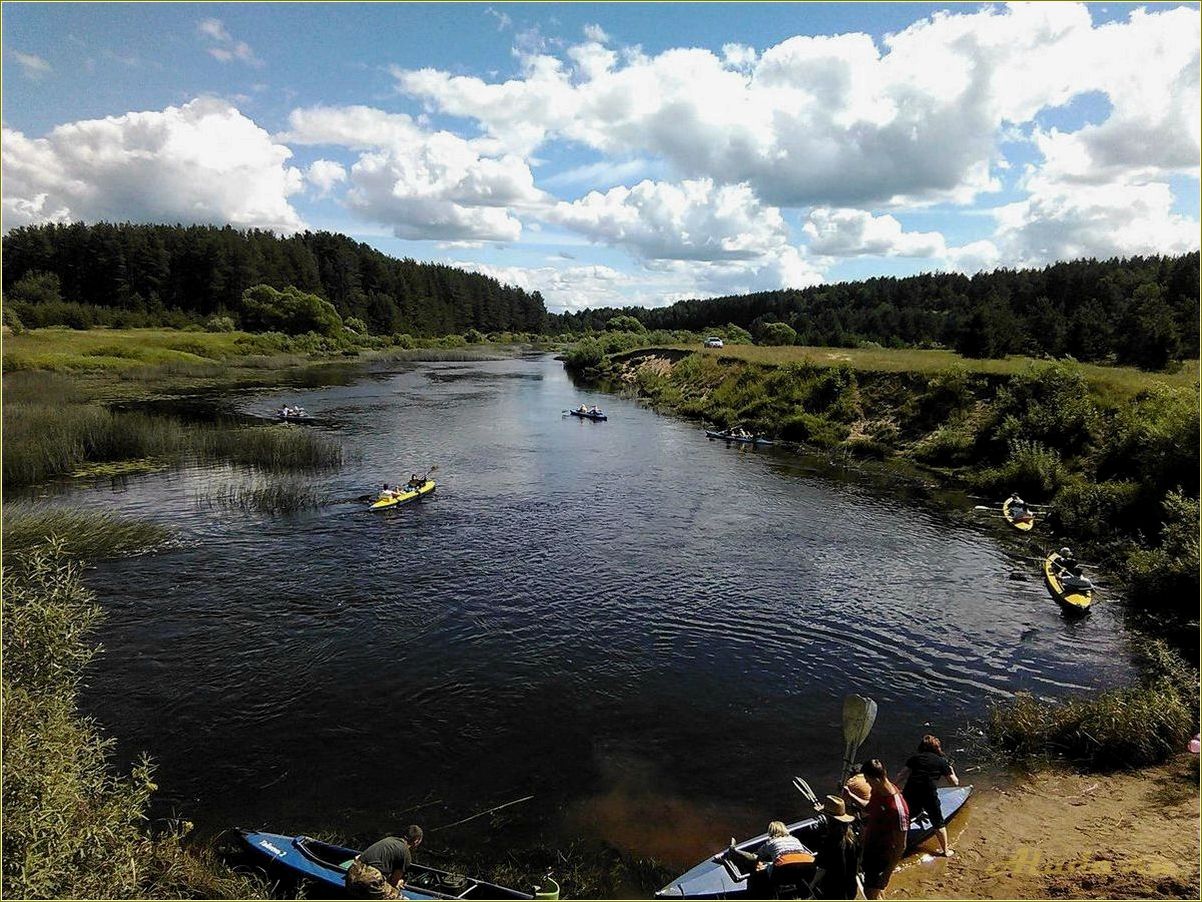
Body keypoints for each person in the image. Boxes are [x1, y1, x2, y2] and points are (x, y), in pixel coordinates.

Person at [897, 735, 959, 857]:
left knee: (905, 817)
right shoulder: (941, 762)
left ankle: (897, 845)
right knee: (938, 822)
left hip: (910, 791)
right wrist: (951, 770)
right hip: (928, 794)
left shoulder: (914, 758)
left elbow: (901, 775)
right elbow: (954, 783)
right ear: (937, 748)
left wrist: (893, 788)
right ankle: (946, 851)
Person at [860, 759, 909, 900]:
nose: (867, 784)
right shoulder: (877, 791)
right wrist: (850, 796)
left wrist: (887, 874)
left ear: (876, 778)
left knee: (870, 893)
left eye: (868, 780)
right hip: (870, 849)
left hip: (882, 856)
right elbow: (869, 808)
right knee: (873, 891)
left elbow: (901, 846)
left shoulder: (897, 808)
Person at [725, 821, 812, 897]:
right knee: (796, 872)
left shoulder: (770, 843)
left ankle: (766, 894)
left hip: (784, 866)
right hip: (809, 863)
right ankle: (806, 893)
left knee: (761, 868)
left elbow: (754, 857)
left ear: (771, 832)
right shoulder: (795, 839)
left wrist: (737, 851)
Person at [345, 826, 423, 899]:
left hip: (351, 877)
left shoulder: (389, 839)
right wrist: (399, 883)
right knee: (400, 898)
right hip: (369, 880)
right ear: (417, 841)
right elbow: (393, 883)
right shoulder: (406, 853)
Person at [813, 796, 859, 900]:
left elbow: (822, 869)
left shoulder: (830, 841)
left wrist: (812, 884)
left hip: (833, 888)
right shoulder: (852, 838)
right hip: (850, 886)